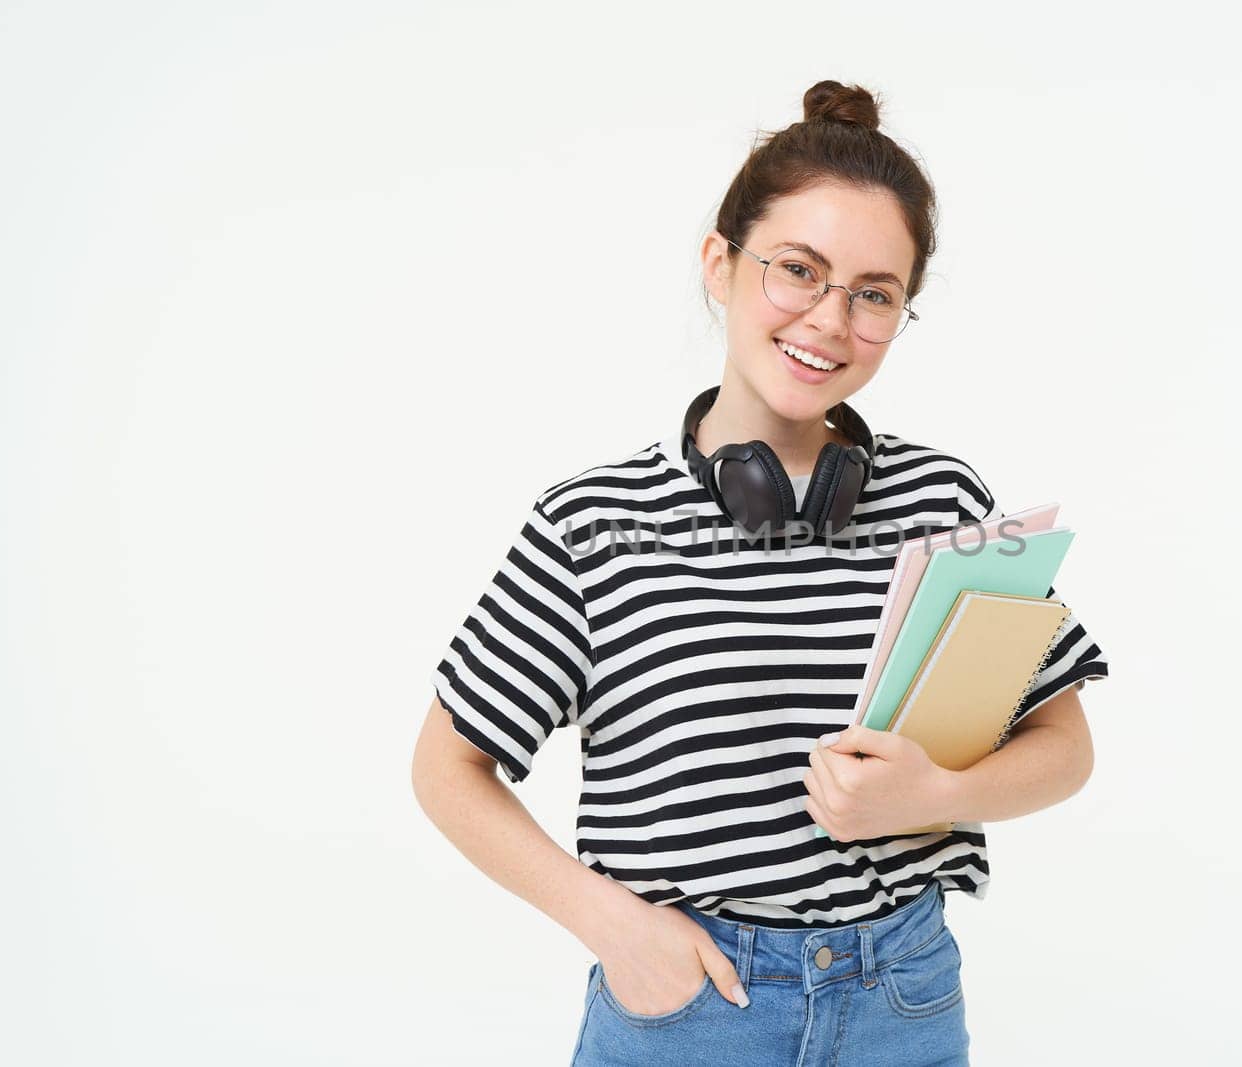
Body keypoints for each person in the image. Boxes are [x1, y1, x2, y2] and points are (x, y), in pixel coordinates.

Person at [411, 80, 1110, 1066]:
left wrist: (925, 795)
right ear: (720, 263)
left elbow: (1064, 744)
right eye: (797, 270)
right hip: (688, 1002)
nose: (830, 321)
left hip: (899, 994)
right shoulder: (593, 521)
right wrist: (614, 928)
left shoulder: (947, 501)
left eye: (874, 293)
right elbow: (447, 766)